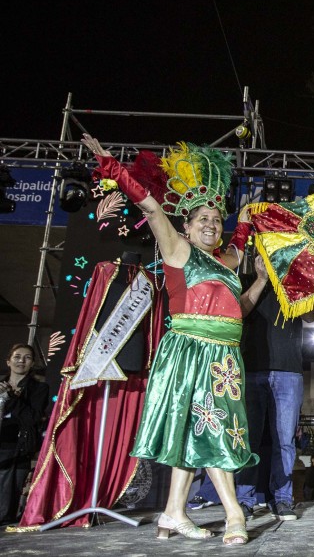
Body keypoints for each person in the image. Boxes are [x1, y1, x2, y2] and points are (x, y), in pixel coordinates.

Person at [82, 134, 256, 544]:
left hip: (226, 357)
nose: (212, 224)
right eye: (203, 220)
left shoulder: (228, 260)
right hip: (190, 350)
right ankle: (234, 515)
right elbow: (150, 206)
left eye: (217, 219)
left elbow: (243, 238)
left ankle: (173, 513)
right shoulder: (176, 249)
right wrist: (112, 167)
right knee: (213, 429)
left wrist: (246, 215)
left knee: (196, 431)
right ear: (187, 226)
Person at [235, 254, 314, 522]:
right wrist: (261, 279)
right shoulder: (246, 278)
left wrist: (291, 279)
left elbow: (312, 314)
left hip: (288, 370)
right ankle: (244, 500)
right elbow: (238, 312)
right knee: (249, 439)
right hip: (252, 368)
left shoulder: (297, 281)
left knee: (284, 442)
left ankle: (282, 499)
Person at [0, 344, 49, 525]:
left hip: (20, 445)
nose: (21, 360)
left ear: (32, 363)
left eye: (27, 357)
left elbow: (32, 418)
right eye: (17, 356)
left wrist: (10, 398)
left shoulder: (40, 389)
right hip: (2, 441)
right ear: (8, 361)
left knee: (10, 496)